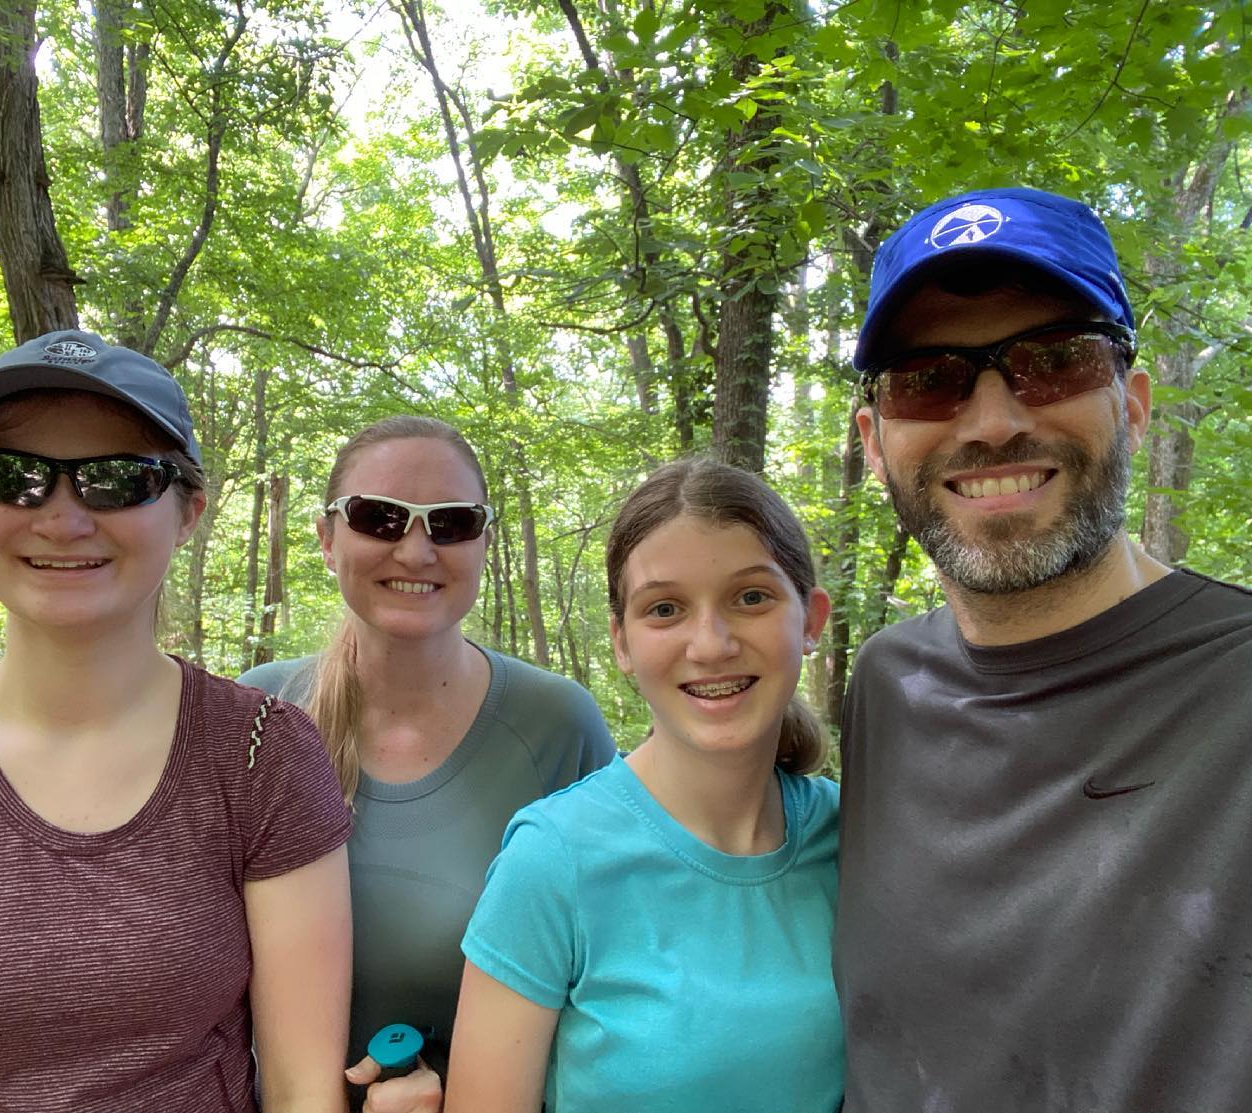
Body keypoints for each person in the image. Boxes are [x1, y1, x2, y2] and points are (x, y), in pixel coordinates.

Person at [0, 330, 354, 1113]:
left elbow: (305, 1092)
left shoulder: (261, 754)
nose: (62, 518)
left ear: (188, 511)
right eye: (13, 474)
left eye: (117, 479)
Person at [837, 186, 1252, 1112]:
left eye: (1053, 362)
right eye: (927, 379)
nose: (989, 421)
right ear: (875, 439)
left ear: (1132, 403)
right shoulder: (885, 685)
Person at [238, 415, 615, 1113]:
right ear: (326, 537)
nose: (415, 550)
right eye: (379, 518)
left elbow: (609, 988)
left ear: (483, 542)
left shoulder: (558, 724)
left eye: (451, 523)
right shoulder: (259, 711)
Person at [445, 457, 843, 1113]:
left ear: (810, 620)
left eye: (751, 597)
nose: (711, 643)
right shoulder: (552, 860)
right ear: (622, 643)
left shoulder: (855, 837)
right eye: (665, 608)